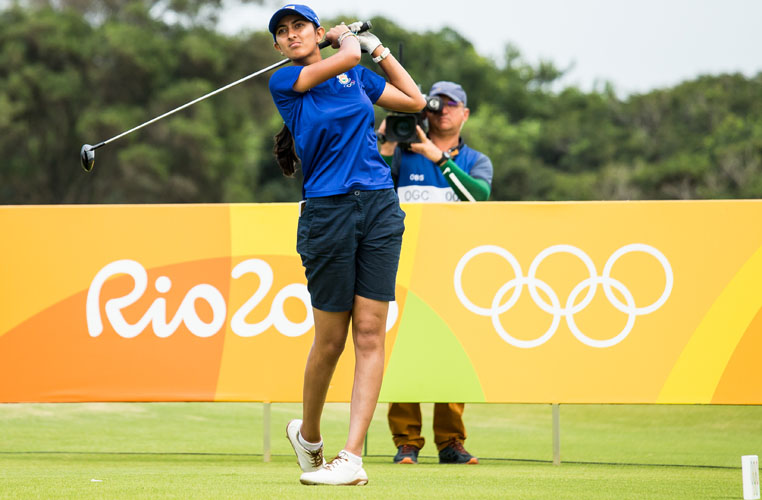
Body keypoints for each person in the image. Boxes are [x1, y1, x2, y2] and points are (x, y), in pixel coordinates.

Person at [267, 4, 425, 486]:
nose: (292, 35)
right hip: (327, 211)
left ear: (314, 31)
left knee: (371, 332)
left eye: (300, 27)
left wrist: (379, 48)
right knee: (331, 340)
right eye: (283, 32)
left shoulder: (356, 77)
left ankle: (351, 456)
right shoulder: (285, 82)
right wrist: (346, 40)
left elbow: (415, 100)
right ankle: (309, 435)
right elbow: (347, 57)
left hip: (378, 205)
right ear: (277, 46)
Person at [377, 81, 493, 464]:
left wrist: (438, 158)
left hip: (455, 273)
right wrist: (381, 148)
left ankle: (451, 443)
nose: (442, 109)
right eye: (435, 103)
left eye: (451, 104)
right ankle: (406, 443)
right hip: (402, 268)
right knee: (403, 355)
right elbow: (366, 189)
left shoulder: (477, 160)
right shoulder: (400, 155)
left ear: (465, 113)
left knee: (451, 357)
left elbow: (478, 197)